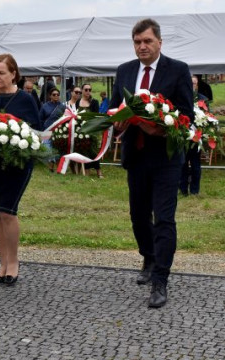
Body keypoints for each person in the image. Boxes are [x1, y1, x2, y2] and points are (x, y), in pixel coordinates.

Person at [110, 18, 193, 308]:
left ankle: (160, 279)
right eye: (137, 42)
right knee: (138, 215)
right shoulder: (124, 71)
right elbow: (114, 111)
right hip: (136, 156)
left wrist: (158, 126)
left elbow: (186, 115)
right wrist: (118, 126)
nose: (142, 46)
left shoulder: (178, 70)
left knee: (164, 218)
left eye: (147, 41)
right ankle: (149, 255)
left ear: (159, 42)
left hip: (166, 159)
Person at [0, 53, 40, 286]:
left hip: (17, 164)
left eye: (2, 72)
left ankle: (13, 263)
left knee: (7, 211)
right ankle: (2, 263)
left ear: (14, 74)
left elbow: (35, 132)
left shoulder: (26, 99)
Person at [179, 76, 208, 196]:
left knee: (196, 165)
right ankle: (183, 189)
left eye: (194, 84)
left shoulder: (203, 99)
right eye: (190, 83)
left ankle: (195, 190)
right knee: (183, 164)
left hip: (197, 137)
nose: (192, 86)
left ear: (197, 85)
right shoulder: (180, 97)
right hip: (183, 137)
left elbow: (207, 116)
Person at [76, 83, 104, 178]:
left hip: (92, 129)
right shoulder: (77, 102)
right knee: (85, 150)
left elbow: (96, 116)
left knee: (93, 150)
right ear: (82, 91)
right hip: (81, 130)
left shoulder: (94, 102)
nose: (88, 91)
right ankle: (87, 170)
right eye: (86, 90)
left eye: (90, 90)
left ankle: (98, 171)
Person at [39, 88, 65, 172]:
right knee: (48, 148)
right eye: (54, 94)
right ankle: (51, 167)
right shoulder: (45, 106)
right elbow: (40, 119)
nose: (56, 96)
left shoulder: (62, 106)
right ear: (50, 96)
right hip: (47, 130)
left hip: (58, 131)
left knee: (57, 149)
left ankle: (58, 167)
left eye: (57, 94)